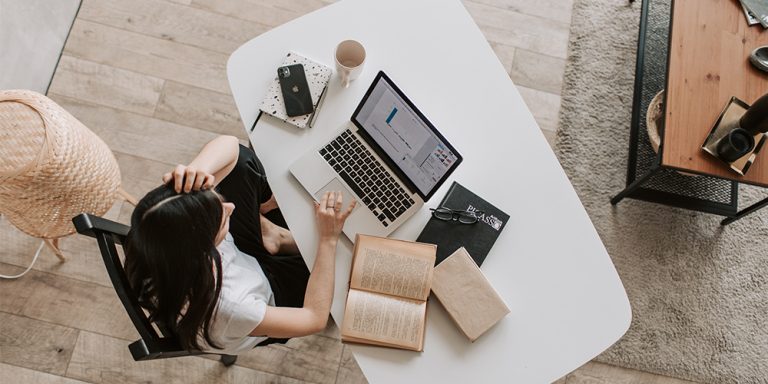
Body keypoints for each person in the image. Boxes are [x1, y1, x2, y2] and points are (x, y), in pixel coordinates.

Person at [124, 135, 355, 354]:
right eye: (221, 216)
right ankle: (276, 238)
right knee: (345, 265)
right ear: (204, 249)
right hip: (270, 295)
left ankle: (272, 237)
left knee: (242, 163)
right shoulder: (233, 308)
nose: (230, 207)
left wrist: (197, 170)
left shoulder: (156, 230)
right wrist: (327, 238)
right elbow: (313, 318)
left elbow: (231, 147)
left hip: (237, 263)